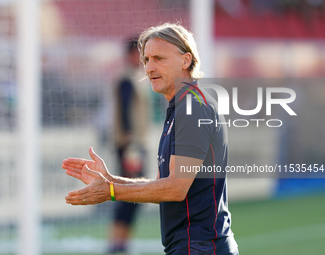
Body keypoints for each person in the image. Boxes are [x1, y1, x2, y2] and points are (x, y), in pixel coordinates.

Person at [62, 23, 239, 255]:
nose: (149, 68)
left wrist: (112, 190)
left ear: (186, 60)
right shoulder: (179, 108)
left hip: (201, 247)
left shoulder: (193, 107)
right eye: (146, 60)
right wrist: (111, 179)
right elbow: (162, 187)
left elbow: (176, 188)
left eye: (159, 58)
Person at [108, 37, 149, 254]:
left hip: (133, 145)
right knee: (128, 194)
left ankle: (121, 244)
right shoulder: (126, 79)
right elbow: (124, 113)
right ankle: (116, 244)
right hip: (130, 146)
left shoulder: (135, 78)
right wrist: (132, 144)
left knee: (134, 195)